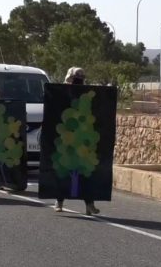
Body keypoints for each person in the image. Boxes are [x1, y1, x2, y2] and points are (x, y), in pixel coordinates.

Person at [54, 67, 100, 216]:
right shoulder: (61, 93)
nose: (78, 81)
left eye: (80, 79)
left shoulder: (86, 94)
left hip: (83, 137)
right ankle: (59, 200)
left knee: (85, 172)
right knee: (64, 169)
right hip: (66, 137)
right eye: (75, 79)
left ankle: (89, 204)